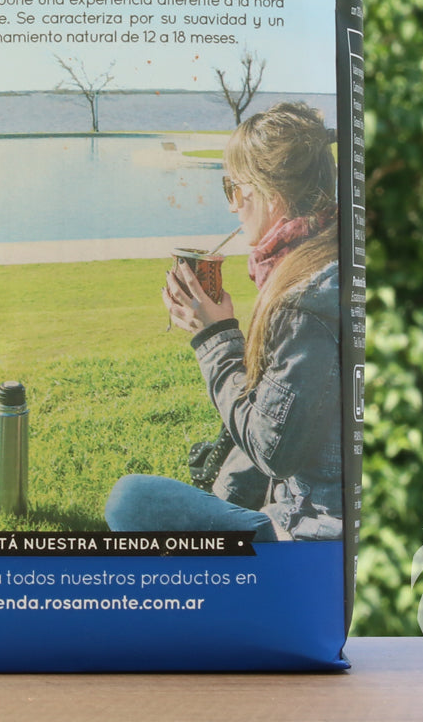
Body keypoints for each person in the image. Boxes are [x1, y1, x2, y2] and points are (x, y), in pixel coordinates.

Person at [106, 102, 342, 541]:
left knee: (130, 499)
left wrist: (214, 335)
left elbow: (273, 450)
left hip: (316, 535)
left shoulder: (303, 303)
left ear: (270, 194)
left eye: (233, 188)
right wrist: (224, 496)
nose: (233, 207)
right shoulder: (336, 260)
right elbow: (285, 417)